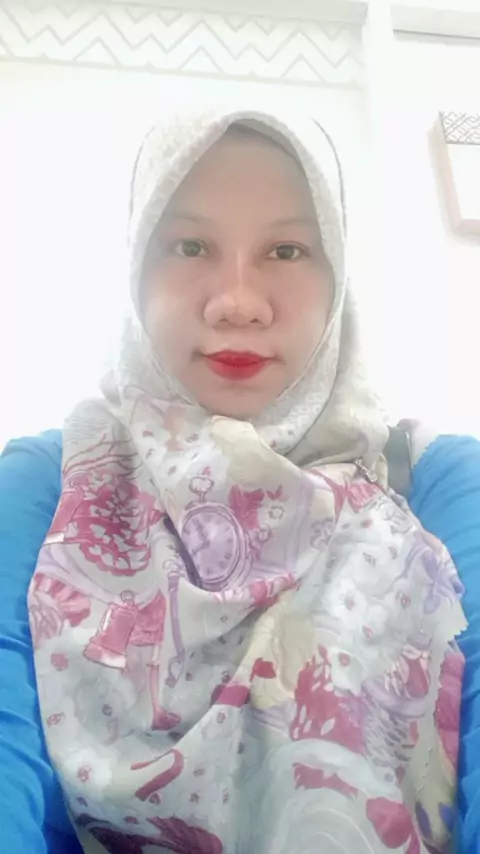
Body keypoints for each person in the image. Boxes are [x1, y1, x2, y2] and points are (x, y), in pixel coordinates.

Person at [1, 103, 479, 854]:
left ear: (337, 274)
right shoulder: (48, 483)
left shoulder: (436, 484)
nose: (237, 303)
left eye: (286, 250)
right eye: (189, 245)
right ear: (134, 269)